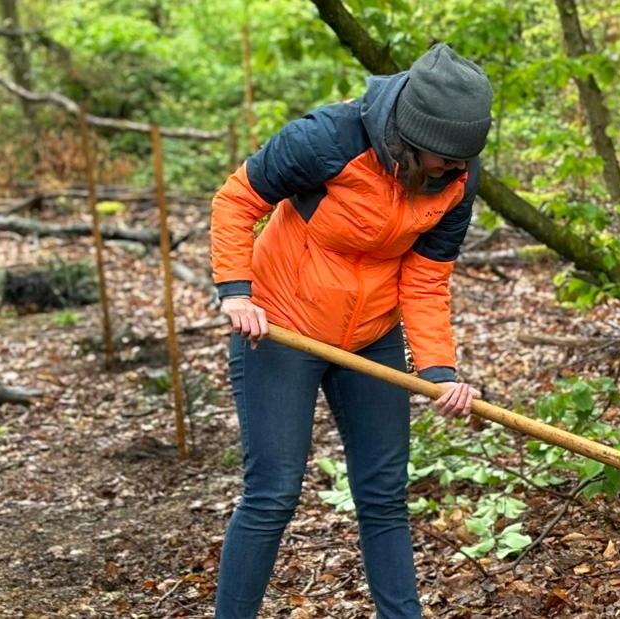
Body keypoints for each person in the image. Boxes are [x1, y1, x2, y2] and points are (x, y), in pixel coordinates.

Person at [208, 43, 491, 619]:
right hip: (280, 326)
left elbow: (426, 280)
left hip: (372, 334)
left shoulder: (458, 177)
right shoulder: (328, 139)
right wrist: (237, 291)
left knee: (385, 497)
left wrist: (439, 374)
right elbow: (237, 201)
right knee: (274, 493)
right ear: (412, 137)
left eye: (462, 161)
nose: (453, 171)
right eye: (442, 159)